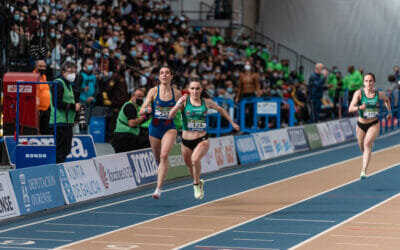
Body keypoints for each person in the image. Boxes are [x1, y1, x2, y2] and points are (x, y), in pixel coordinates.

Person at [169, 79, 240, 199]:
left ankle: (196, 185)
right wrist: (178, 103)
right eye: (192, 88)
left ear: (201, 90)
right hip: (186, 140)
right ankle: (199, 182)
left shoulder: (206, 102)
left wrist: (232, 123)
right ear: (188, 89)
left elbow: (221, 110)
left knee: (195, 160)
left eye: (197, 88)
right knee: (190, 165)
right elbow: (170, 115)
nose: (195, 91)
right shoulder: (184, 102)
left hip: (202, 138)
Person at [139, 66, 182, 199]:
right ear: (159, 76)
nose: (164, 75)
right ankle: (162, 172)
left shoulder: (177, 94)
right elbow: (141, 111)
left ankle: (158, 188)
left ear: (171, 76)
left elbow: (185, 110)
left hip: (169, 127)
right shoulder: (153, 91)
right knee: (158, 159)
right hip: (155, 128)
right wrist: (147, 110)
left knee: (164, 156)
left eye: (167, 73)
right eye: (162, 73)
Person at [348, 73, 392, 179]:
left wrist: (389, 111)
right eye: (366, 81)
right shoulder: (359, 93)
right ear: (363, 82)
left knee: (367, 143)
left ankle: (363, 171)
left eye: (371, 81)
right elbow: (350, 108)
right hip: (361, 124)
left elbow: (387, 100)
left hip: (374, 123)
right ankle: (367, 153)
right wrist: (360, 107)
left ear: (374, 82)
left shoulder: (379, 93)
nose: (369, 83)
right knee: (362, 147)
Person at [49, 61, 82, 163]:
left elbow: (70, 102)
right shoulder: (59, 83)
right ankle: (57, 172)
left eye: (74, 72)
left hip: (67, 123)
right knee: (60, 151)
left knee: (66, 150)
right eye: (70, 71)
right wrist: (73, 107)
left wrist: (75, 116)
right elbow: (57, 103)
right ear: (63, 72)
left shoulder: (69, 85)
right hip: (59, 122)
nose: (73, 74)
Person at [111, 89, 151, 153]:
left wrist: (148, 116)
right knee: (150, 141)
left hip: (126, 137)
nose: (140, 99)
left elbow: (137, 122)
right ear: (132, 96)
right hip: (124, 138)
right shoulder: (130, 106)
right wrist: (145, 116)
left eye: (142, 97)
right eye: (138, 96)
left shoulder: (135, 107)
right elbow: (132, 123)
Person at [75, 57, 98, 132]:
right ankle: (82, 136)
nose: (90, 65)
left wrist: (92, 97)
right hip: (83, 100)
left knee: (89, 121)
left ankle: (88, 136)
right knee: (82, 121)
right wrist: (83, 89)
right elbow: (76, 88)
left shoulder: (94, 76)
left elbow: (97, 88)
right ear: (85, 64)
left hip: (91, 101)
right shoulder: (80, 75)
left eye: (92, 64)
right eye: (89, 64)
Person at [235, 61, 261, 128]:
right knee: (242, 110)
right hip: (244, 94)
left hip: (251, 93)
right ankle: (242, 125)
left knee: (251, 110)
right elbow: (240, 87)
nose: (247, 66)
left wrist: (258, 94)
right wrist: (237, 97)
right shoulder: (241, 75)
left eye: (248, 64)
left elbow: (257, 85)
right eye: (246, 64)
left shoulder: (254, 75)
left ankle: (250, 125)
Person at [33, 60, 51, 135]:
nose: (42, 68)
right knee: (37, 131)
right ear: (35, 67)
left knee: (46, 131)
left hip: (46, 109)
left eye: (44, 66)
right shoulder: (33, 77)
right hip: (37, 110)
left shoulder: (44, 77)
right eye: (40, 66)